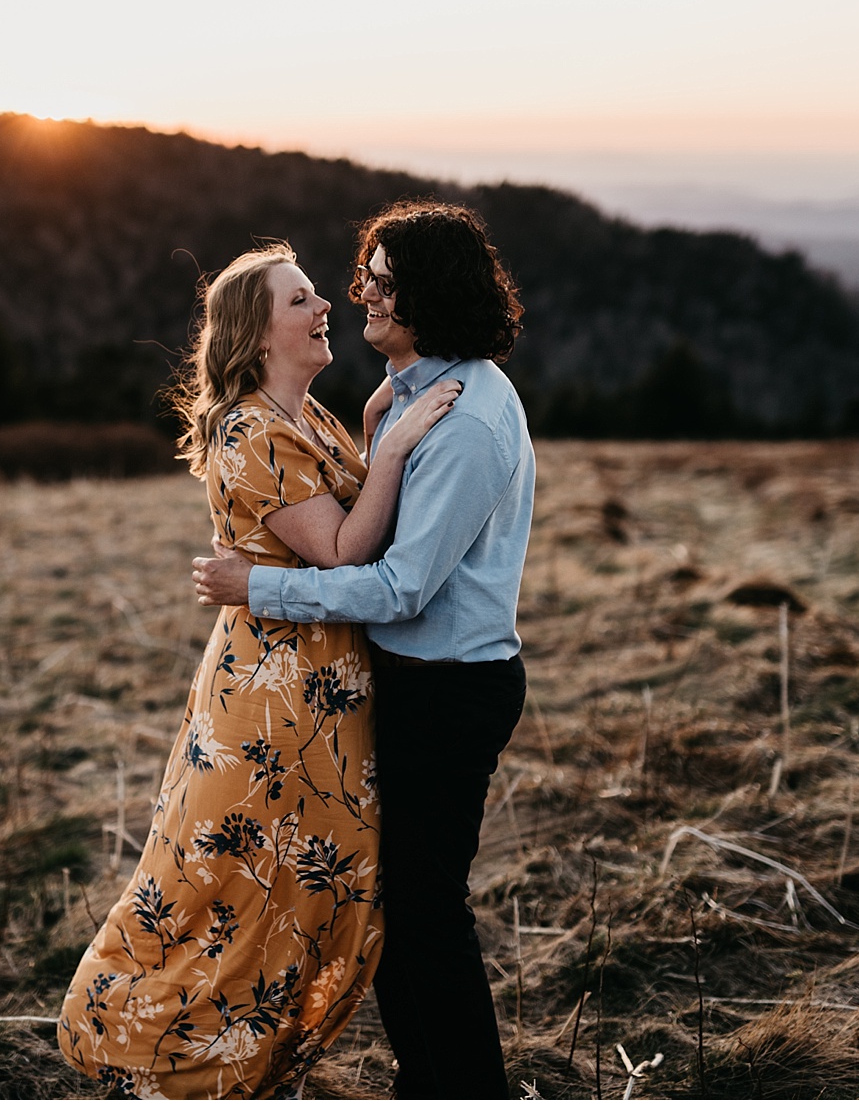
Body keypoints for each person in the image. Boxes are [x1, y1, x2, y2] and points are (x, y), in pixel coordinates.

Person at [57, 241, 461, 1098]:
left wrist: (372, 425)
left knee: (305, 882)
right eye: (302, 300)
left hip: (323, 691)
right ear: (257, 331)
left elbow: (325, 514)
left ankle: (241, 1057)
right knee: (238, 884)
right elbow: (347, 548)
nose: (327, 308)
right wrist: (393, 450)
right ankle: (161, 1052)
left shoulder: (304, 416)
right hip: (278, 706)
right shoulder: (248, 429)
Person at [192, 200, 533, 1099]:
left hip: (447, 689)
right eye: (360, 278)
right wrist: (381, 418)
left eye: (379, 282)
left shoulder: (462, 424)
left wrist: (256, 588)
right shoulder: (420, 394)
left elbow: (396, 586)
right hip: (407, 681)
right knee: (394, 909)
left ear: (426, 294)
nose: (359, 296)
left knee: (425, 916)